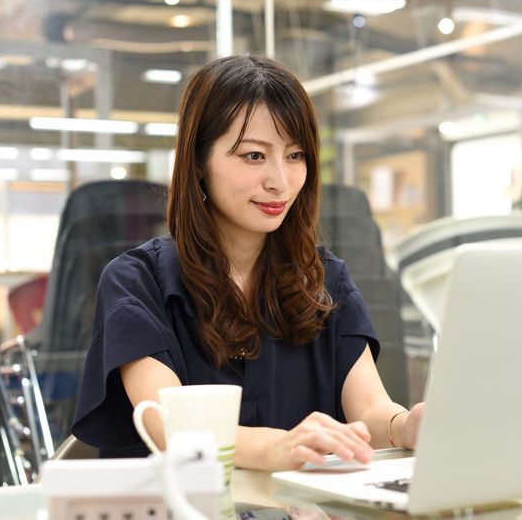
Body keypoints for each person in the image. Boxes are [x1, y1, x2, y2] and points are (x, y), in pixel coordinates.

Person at [72, 54, 424, 471]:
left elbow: (368, 409)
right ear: (199, 162)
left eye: (295, 156)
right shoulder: (137, 282)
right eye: (255, 156)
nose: (279, 180)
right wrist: (275, 448)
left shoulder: (326, 280)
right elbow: (166, 425)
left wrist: (405, 426)